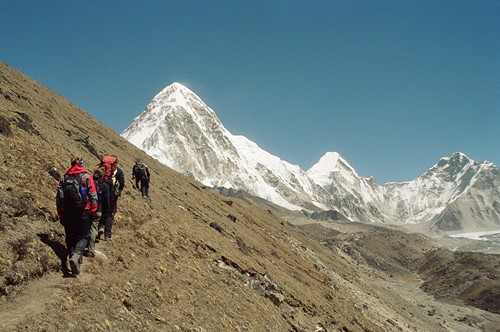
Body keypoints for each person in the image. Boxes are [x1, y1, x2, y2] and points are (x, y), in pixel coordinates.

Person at [56, 155, 97, 277]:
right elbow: (93, 195)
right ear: (81, 164)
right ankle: (76, 255)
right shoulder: (86, 177)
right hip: (83, 211)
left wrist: (60, 211)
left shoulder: (64, 178)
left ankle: (74, 266)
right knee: (83, 236)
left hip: (67, 211)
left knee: (70, 237)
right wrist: (93, 210)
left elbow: (59, 196)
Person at [85, 168, 110, 257]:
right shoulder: (105, 186)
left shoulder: (89, 182)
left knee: (86, 226)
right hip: (98, 209)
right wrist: (106, 213)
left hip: (87, 208)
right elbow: (106, 201)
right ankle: (90, 250)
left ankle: (82, 246)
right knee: (94, 228)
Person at [101, 162, 124, 240]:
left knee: (102, 211)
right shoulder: (119, 171)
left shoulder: (103, 168)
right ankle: (107, 235)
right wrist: (119, 190)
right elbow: (122, 182)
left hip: (102, 192)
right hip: (112, 195)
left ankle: (97, 231)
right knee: (110, 214)